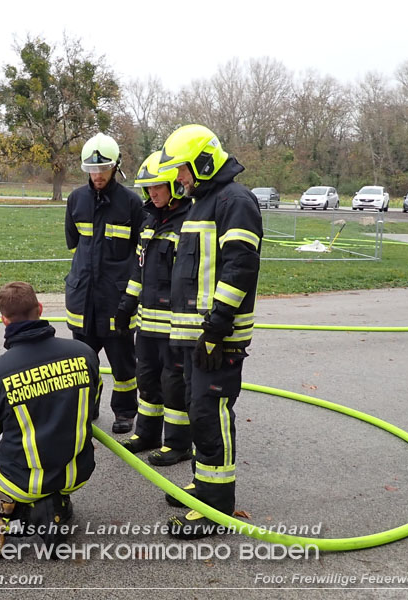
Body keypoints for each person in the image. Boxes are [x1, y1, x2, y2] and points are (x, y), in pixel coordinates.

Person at [156, 124, 263, 539]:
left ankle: (217, 505)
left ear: (202, 162)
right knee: (197, 412)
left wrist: (217, 327)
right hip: (196, 335)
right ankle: (205, 485)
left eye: (181, 170)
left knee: (211, 414)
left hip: (219, 336)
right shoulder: (203, 202)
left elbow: (240, 266)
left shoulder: (235, 202)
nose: (178, 178)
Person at [0, 281, 101, 555]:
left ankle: (34, 510)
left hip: (22, 480)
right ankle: (55, 505)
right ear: (40, 310)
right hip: (77, 471)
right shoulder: (85, 354)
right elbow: (91, 406)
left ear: (4, 320)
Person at [117, 151, 192, 466]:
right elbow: (140, 268)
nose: (152, 194)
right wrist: (126, 304)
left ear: (174, 185)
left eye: (158, 187)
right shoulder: (149, 222)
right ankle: (147, 433)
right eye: (148, 189)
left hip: (175, 325)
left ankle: (176, 444)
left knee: (173, 384)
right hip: (147, 323)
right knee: (146, 378)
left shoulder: (188, 223)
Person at [65, 132, 143, 434]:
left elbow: (141, 252)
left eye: (103, 169)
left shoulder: (131, 204)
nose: (97, 175)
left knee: (124, 364)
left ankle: (124, 412)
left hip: (116, 300)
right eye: (92, 170)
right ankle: (88, 407)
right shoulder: (76, 200)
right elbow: (74, 243)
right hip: (83, 298)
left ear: (116, 167)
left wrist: (128, 294)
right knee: (82, 365)